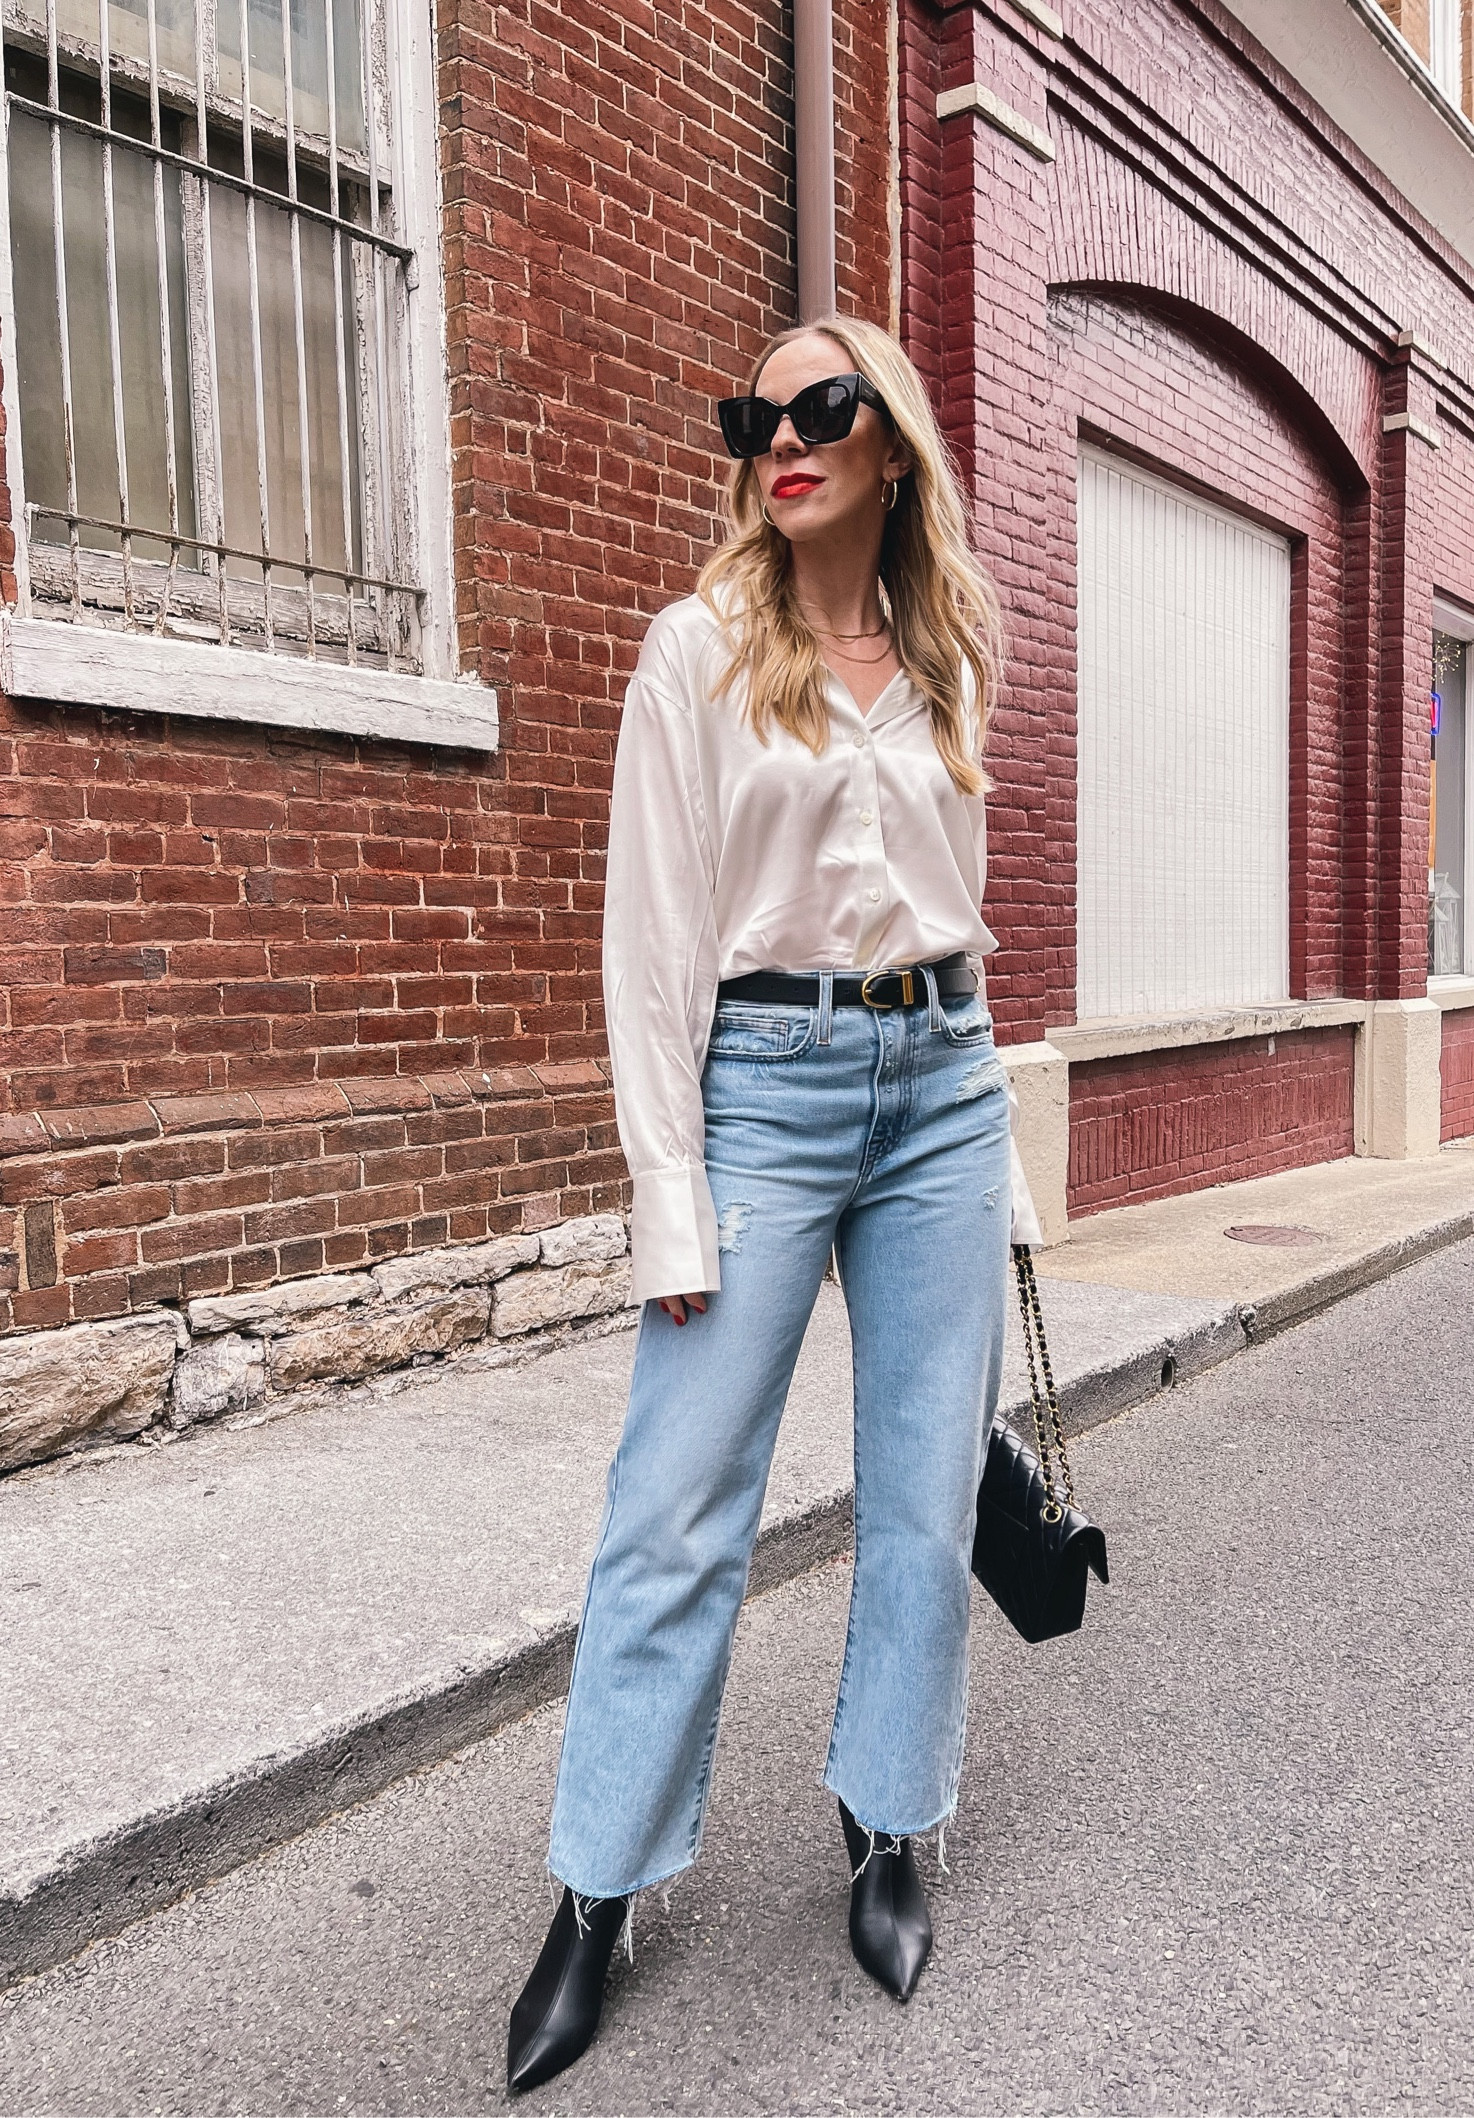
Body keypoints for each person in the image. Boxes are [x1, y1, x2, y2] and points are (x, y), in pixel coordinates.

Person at [506, 315, 1043, 2094]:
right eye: (758, 413)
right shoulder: (695, 654)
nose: (783, 438)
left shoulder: (948, 657)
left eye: (825, 408)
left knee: (916, 1499)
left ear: (890, 446)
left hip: (944, 1098)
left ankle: (890, 1820)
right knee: (673, 1506)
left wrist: (1006, 1176)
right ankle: (597, 1886)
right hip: (765, 1096)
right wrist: (671, 1198)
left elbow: (971, 935)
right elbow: (646, 945)